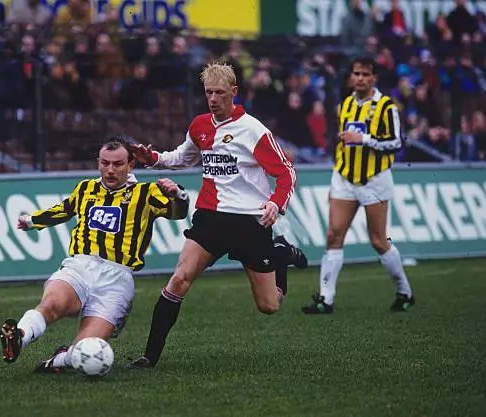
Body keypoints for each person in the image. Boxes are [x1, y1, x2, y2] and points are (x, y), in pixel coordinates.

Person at [127, 62, 302, 369]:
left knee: (269, 306)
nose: (213, 99)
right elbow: (184, 156)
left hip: (250, 221)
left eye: (220, 93)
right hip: (210, 216)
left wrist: (276, 204)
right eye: (209, 92)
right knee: (179, 280)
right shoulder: (200, 126)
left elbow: (286, 173)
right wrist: (152, 159)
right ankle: (149, 357)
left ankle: (279, 253)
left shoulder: (254, 130)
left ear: (234, 92)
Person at [0, 137, 190, 372]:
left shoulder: (146, 192)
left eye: (117, 164)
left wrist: (178, 195)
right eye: (105, 163)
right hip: (80, 266)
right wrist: (31, 221)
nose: (110, 170)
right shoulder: (86, 188)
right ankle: (19, 336)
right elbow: (64, 209)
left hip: (118, 279)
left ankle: (58, 361)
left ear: (131, 165)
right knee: (53, 304)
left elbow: (177, 214)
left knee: (85, 352)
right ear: (98, 162)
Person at [301, 56, 415, 315]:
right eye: (356, 74)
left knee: (378, 240)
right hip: (343, 176)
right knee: (333, 234)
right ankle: (325, 299)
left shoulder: (387, 107)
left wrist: (363, 139)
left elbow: (396, 142)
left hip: (374, 179)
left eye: (365, 74)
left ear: (374, 78)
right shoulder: (345, 105)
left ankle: (404, 291)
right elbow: (343, 140)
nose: (360, 78)